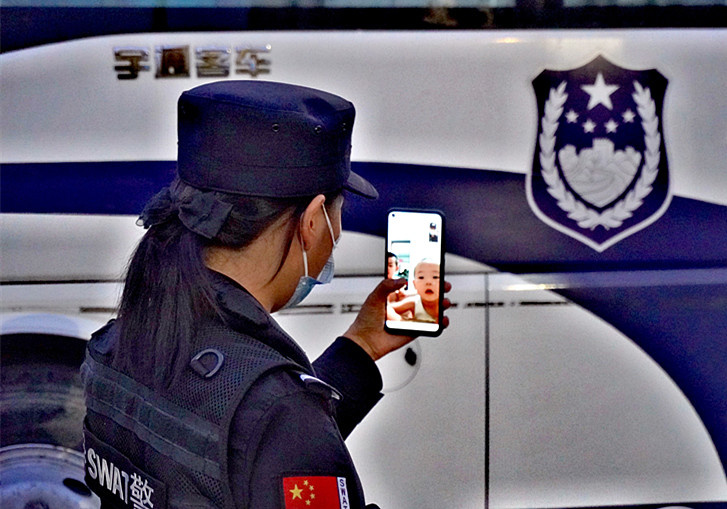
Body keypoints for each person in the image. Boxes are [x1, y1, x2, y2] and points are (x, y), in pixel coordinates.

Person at [80, 81, 449, 509]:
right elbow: (270, 433)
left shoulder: (122, 344)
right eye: (338, 211)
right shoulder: (283, 415)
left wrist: (361, 345)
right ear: (313, 221)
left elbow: (245, 446)